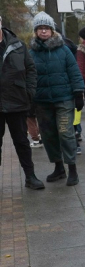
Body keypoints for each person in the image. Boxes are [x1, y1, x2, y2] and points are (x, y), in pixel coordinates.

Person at [29, 12, 84, 186]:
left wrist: (78, 93)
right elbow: (28, 77)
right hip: (42, 101)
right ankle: (59, 168)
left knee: (65, 133)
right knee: (48, 135)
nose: (43, 31)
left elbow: (74, 72)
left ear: (52, 30)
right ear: (36, 31)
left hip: (63, 99)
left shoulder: (64, 50)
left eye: (46, 28)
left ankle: (72, 169)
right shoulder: (31, 53)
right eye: (40, 28)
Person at [0, 15, 44, 190]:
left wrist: (29, 92)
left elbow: (31, 69)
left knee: (22, 141)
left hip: (17, 101)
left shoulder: (17, 45)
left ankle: (30, 176)